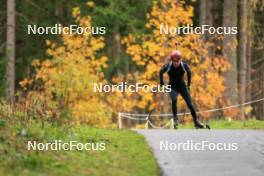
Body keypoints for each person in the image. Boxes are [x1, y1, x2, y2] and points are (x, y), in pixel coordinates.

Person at [160, 50, 205, 129]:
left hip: (182, 86)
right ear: (172, 60)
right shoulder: (168, 66)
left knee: (190, 104)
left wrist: (188, 85)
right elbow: (160, 72)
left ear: (180, 60)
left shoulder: (184, 65)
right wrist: (162, 85)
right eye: (174, 61)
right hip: (172, 87)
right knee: (174, 99)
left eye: (177, 61)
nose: (175, 63)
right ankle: (175, 119)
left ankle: (196, 122)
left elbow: (189, 73)